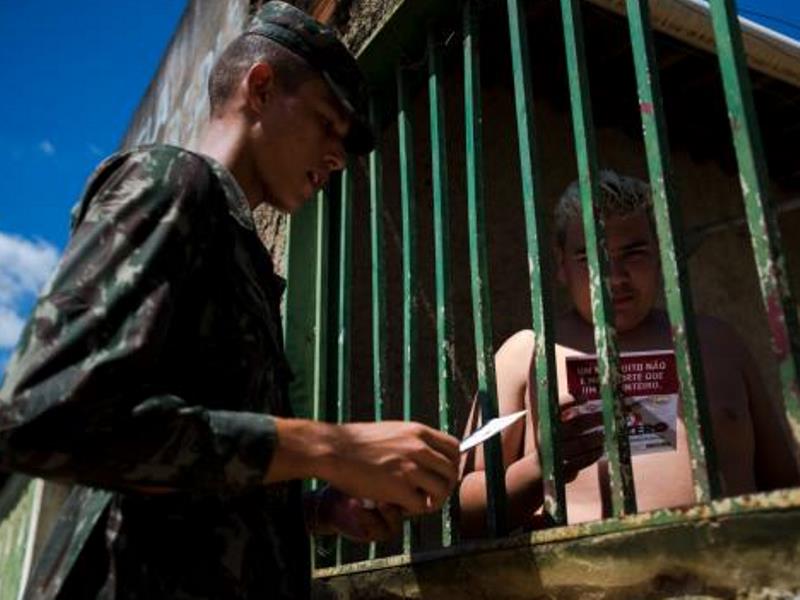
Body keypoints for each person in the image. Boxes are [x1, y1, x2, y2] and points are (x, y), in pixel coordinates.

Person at [0, 3, 460, 598]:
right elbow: (43, 415)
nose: (337, 157)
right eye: (327, 123)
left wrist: (317, 510)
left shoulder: (239, 251)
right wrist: (329, 447)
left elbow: (179, 469)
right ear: (261, 87)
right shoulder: (174, 182)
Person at [459, 169, 798, 536]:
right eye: (589, 257)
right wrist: (539, 467)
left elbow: (784, 485)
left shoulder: (716, 342)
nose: (614, 277)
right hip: (588, 585)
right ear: (560, 265)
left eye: (634, 254)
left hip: (734, 579)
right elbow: (463, 511)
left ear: (659, 256)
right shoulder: (525, 354)